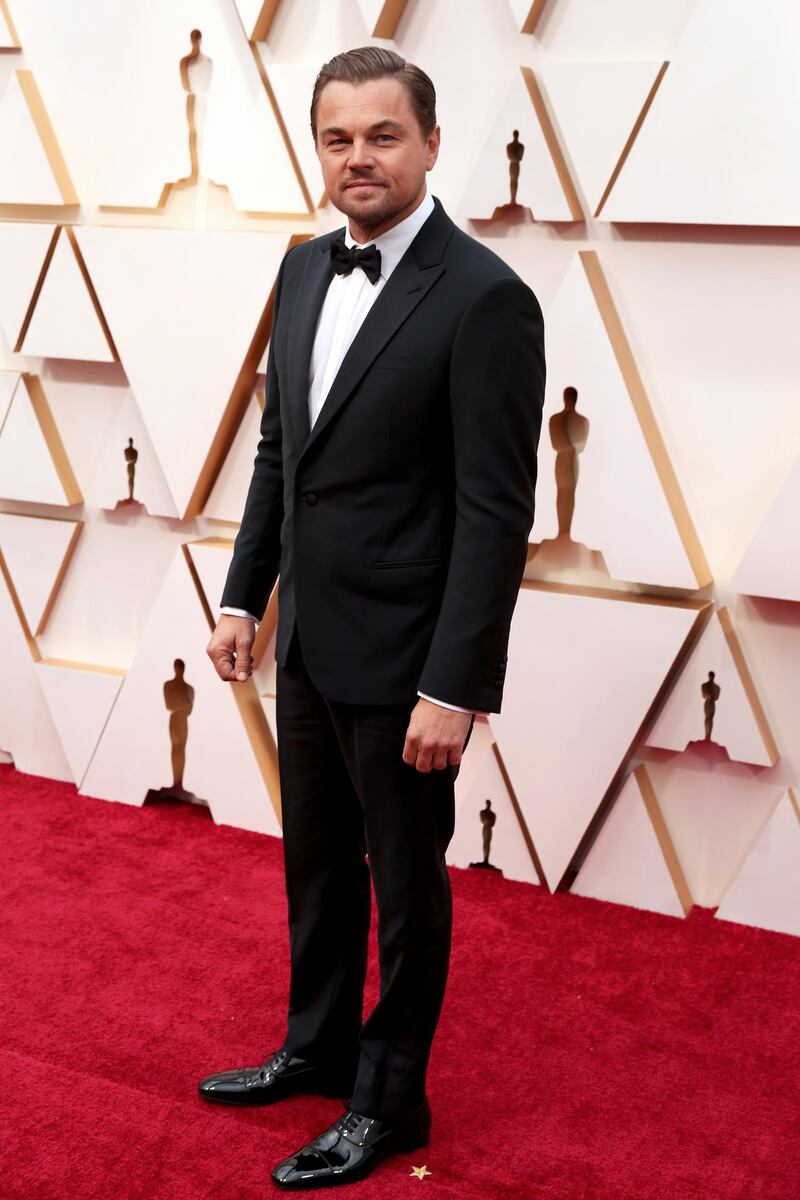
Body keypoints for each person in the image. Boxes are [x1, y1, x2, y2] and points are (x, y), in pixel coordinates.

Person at [199, 45, 545, 1190]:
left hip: (408, 665)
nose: (359, 157)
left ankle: (390, 1104)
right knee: (313, 864)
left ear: (431, 144)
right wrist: (246, 592)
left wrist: (455, 686)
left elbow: (496, 513)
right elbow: (278, 453)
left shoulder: (488, 299)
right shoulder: (302, 269)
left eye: (382, 136)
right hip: (305, 642)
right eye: (337, 137)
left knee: (405, 888)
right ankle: (316, 1045)